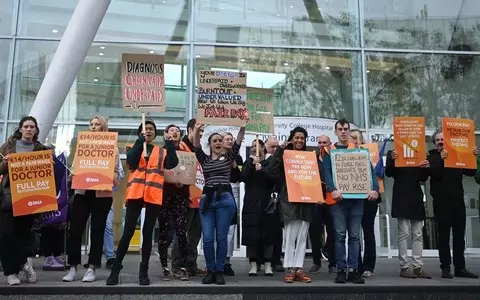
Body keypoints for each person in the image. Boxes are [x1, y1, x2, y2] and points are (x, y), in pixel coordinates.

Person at [106, 120, 178, 285]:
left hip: (153, 195)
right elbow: (131, 162)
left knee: (147, 233)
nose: (149, 131)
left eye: (151, 129)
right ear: (140, 133)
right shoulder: (133, 147)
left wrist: (169, 143)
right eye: (145, 129)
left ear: (156, 133)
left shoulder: (161, 151)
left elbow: (172, 163)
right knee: (128, 231)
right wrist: (140, 141)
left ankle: (143, 271)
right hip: (136, 194)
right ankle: (116, 269)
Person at [63, 116, 120, 283]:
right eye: (91, 124)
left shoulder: (113, 148)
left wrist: (107, 179)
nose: (94, 127)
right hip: (83, 192)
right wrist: (73, 175)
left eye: (97, 124)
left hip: (102, 194)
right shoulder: (82, 145)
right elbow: (74, 167)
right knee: (75, 230)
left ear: (103, 128)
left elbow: (117, 172)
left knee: (97, 231)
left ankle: (92, 268)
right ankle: (72, 267)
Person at [322, 119, 379, 284]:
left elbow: (369, 171)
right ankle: (341, 269)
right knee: (339, 235)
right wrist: (332, 189)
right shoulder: (329, 151)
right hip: (338, 200)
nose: (343, 131)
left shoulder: (359, 150)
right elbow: (327, 173)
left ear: (348, 131)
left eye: (346, 129)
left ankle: (353, 270)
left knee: (354, 236)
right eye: (340, 129)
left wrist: (374, 188)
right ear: (336, 131)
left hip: (357, 200)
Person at [192, 121, 246, 285]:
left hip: (225, 199)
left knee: (222, 238)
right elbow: (196, 146)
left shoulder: (229, 157)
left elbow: (238, 141)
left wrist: (243, 125)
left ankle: (220, 271)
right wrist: (196, 129)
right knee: (208, 238)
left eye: (220, 141)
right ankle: (210, 270)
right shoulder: (204, 159)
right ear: (209, 144)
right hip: (208, 199)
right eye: (214, 141)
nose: (217, 143)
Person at [0, 116, 46, 285]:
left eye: (32, 126)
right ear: (20, 129)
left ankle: (23, 262)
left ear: (35, 130)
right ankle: (10, 272)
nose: (28, 129)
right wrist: (5, 164)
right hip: (9, 197)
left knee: (24, 235)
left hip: (30, 198)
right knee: (7, 235)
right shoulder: (9, 146)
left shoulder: (40, 149)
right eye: (25, 126)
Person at [428, 130, 478, 279]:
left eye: (443, 139)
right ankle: (445, 268)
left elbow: (470, 172)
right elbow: (434, 174)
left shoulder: (457, 155)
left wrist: (473, 157)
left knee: (459, 237)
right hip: (441, 203)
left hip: (457, 201)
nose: (440, 142)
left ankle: (460, 268)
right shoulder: (432, 158)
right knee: (443, 236)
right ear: (434, 143)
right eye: (437, 140)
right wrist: (443, 160)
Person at [266, 127, 314, 283]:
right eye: (296, 137)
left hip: (306, 200)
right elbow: (271, 171)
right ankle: (290, 269)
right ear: (291, 139)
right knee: (290, 236)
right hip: (290, 200)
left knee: (302, 237)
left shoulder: (309, 157)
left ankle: (299, 268)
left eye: (302, 138)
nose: (299, 140)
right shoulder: (285, 155)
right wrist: (280, 150)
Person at [385, 149, 431, 279]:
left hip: (415, 196)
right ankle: (404, 267)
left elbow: (423, 178)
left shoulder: (419, 151)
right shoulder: (394, 152)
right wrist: (392, 160)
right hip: (401, 196)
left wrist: (425, 166)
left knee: (418, 234)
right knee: (403, 233)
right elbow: (389, 173)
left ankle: (417, 267)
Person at [171, 118, 206, 276]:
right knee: (181, 233)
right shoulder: (180, 147)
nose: (201, 134)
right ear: (190, 130)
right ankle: (177, 265)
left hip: (198, 197)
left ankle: (190, 264)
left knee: (195, 234)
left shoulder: (198, 150)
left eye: (203, 132)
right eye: (199, 131)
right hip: (184, 198)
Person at [157, 124, 190, 281]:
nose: (175, 133)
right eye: (172, 131)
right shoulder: (160, 152)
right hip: (164, 195)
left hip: (181, 196)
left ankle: (182, 266)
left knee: (181, 232)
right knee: (164, 232)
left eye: (177, 131)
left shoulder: (186, 153)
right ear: (165, 135)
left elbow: (189, 173)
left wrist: (184, 181)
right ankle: (164, 266)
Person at [241, 139, 276, 276]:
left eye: (257, 146)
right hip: (251, 203)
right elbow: (243, 177)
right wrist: (251, 162)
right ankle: (253, 264)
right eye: (252, 145)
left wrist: (262, 170)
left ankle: (268, 264)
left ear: (263, 148)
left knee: (268, 234)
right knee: (251, 234)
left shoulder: (269, 162)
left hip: (267, 204)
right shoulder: (248, 163)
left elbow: (274, 179)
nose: (253, 148)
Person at [349, 129, 381, 278]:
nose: (353, 141)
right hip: (353, 198)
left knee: (368, 232)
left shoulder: (370, 154)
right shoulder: (344, 156)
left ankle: (369, 266)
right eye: (351, 138)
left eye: (356, 138)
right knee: (354, 233)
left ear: (361, 140)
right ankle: (357, 266)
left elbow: (379, 175)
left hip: (369, 198)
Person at [309, 135, 335, 274]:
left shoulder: (334, 158)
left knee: (333, 231)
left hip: (331, 198)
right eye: (319, 142)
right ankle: (316, 261)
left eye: (324, 142)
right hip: (315, 199)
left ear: (330, 144)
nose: (321, 145)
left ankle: (332, 261)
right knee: (314, 231)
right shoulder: (312, 158)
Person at [222, 132, 243, 276]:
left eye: (231, 139)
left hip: (233, 190)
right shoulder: (215, 155)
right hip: (218, 190)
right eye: (226, 139)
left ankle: (226, 262)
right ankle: (216, 261)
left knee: (230, 228)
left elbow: (239, 177)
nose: (229, 141)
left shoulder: (238, 157)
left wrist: (234, 163)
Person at [265, 136, 284, 273]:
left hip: (278, 199)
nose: (274, 149)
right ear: (266, 146)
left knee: (277, 232)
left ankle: (276, 259)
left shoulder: (281, 161)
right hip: (263, 199)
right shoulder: (262, 161)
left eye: (277, 146)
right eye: (272, 146)